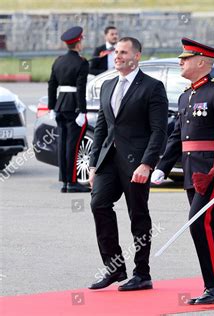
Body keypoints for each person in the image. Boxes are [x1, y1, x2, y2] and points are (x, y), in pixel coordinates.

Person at [151, 38, 214, 305]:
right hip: (193, 171)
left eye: (186, 58)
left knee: (199, 224)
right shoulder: (185, 95)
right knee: (203, 226)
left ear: (202, 62)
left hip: (212, 171)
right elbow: (177, 136)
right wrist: (163, 166)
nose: (181, 62)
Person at [88, 37, 169, 291]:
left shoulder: (152, 87)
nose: (117, 56)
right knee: (98, 204)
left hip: (136, 163)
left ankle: (142, 273)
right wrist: (93, 165)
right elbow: (102, 128)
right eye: (116, 52)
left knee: (138, 216)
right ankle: (114, 268)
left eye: (123, 52)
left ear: (137, 56)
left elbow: (159, 131)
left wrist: (147, 163)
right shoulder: (107, 85)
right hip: (108, 161)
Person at [48, 26, 90, 193]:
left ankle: (65, 181)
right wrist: (82, 110)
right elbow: (81, 88)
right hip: (73, 107)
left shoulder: (58, 60)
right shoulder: (81, 62)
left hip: (60, 105)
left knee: (63, 144)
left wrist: (52, 106)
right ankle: (72, 182)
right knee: (73, 146)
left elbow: (52, 84)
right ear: (78, 43)